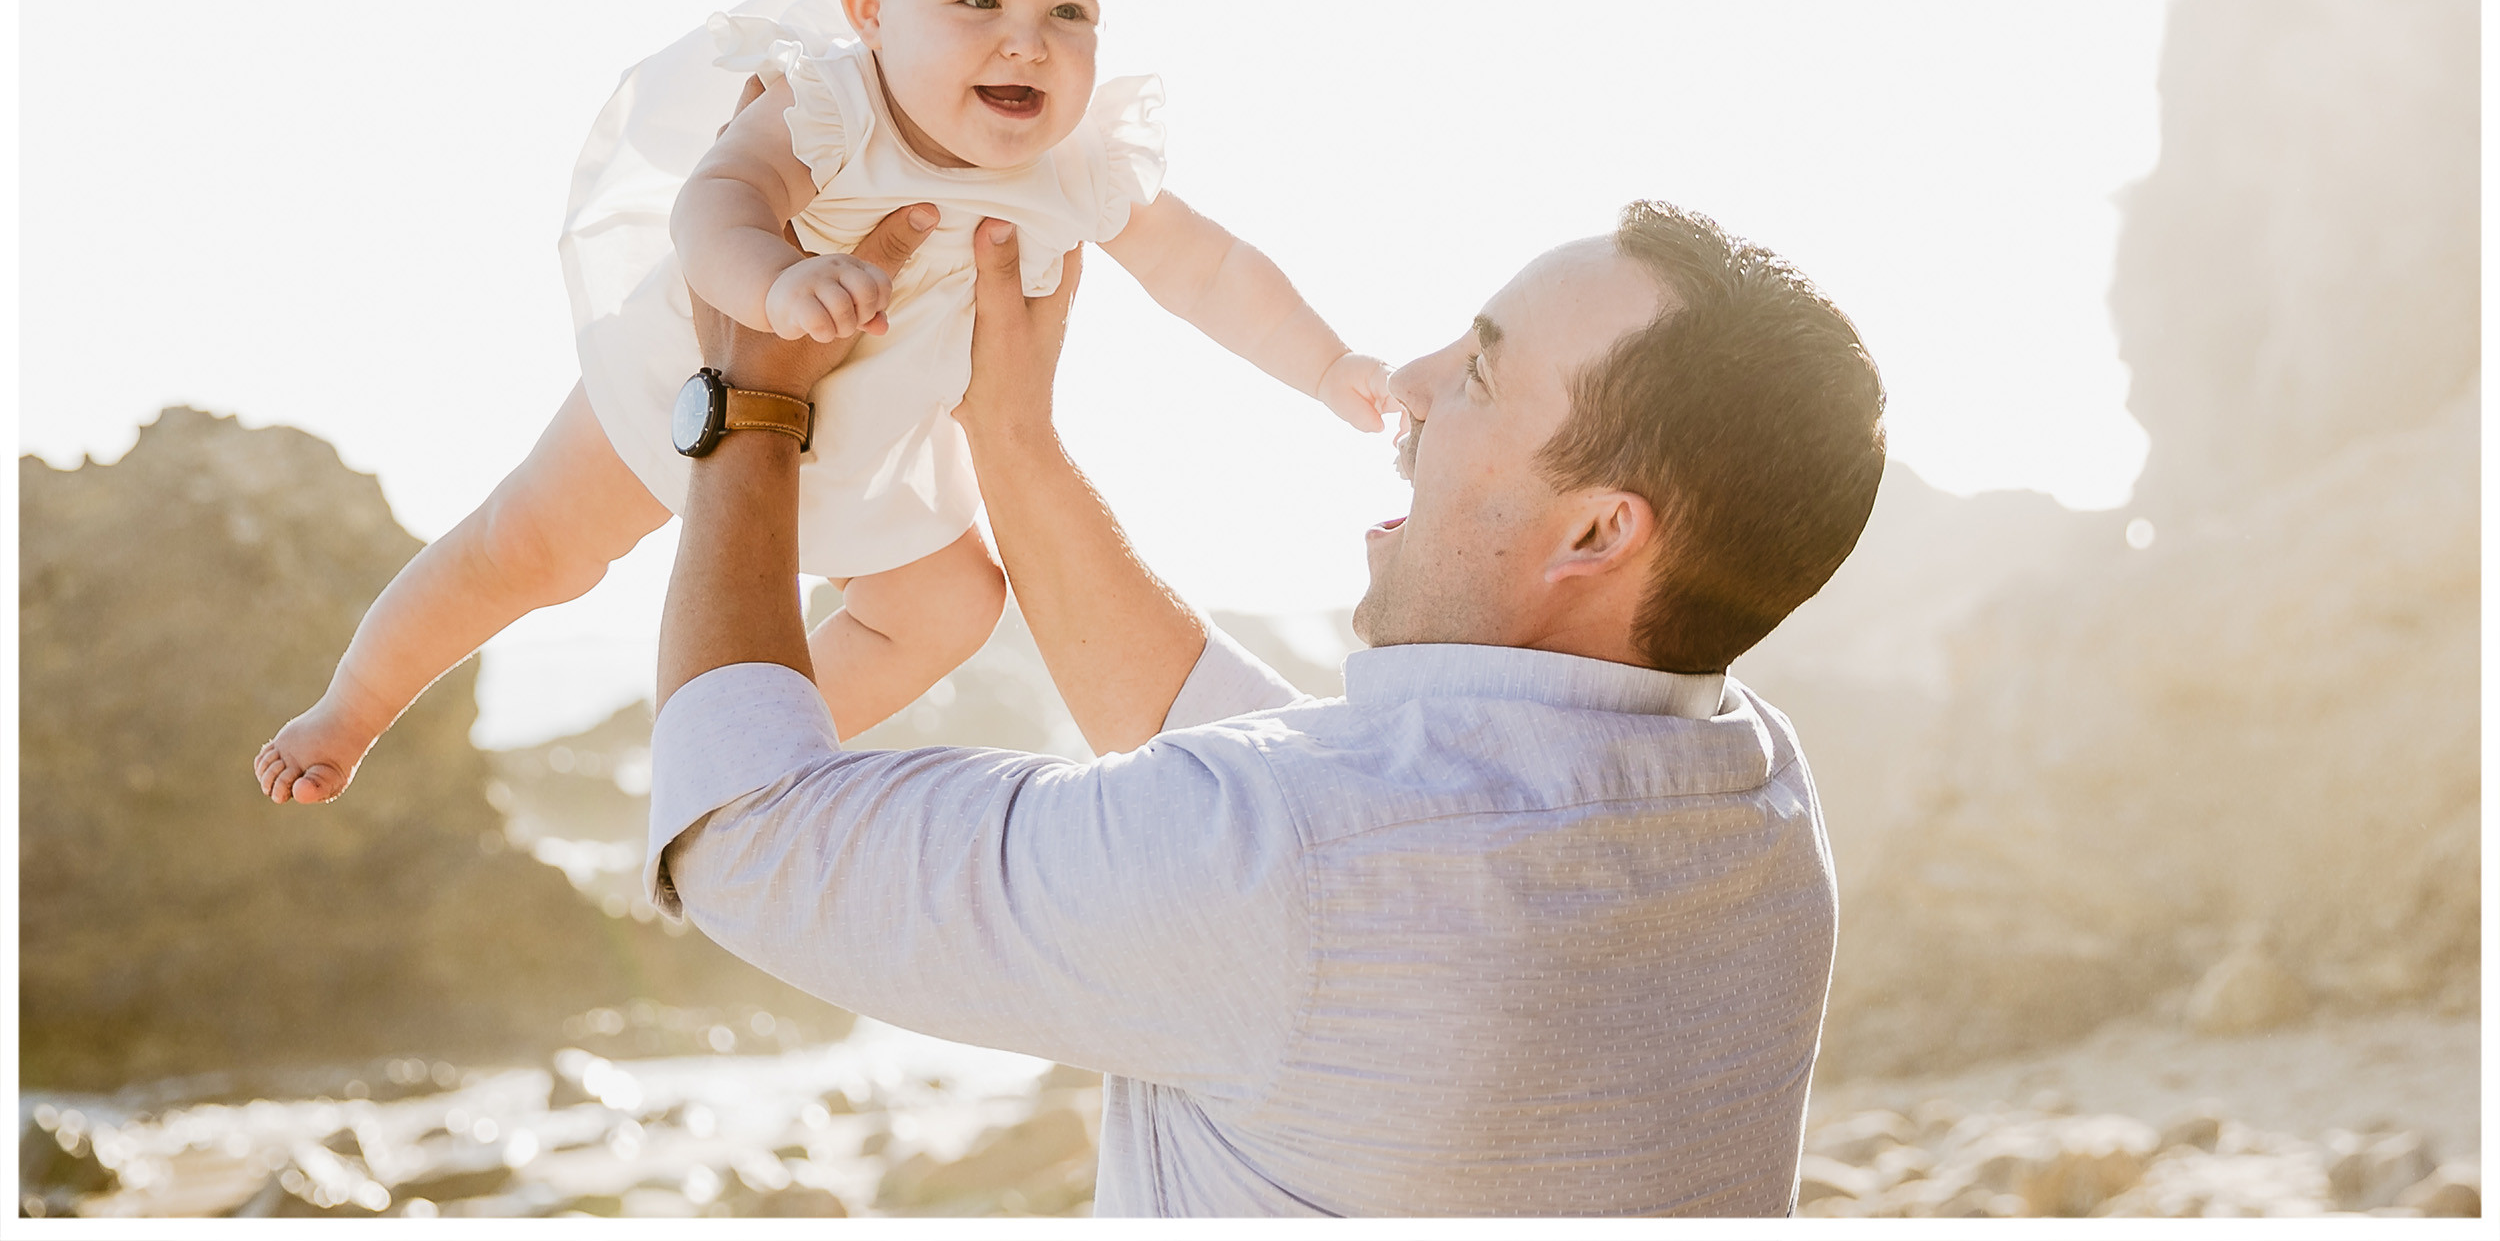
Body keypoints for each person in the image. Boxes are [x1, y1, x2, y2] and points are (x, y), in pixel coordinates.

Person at [647, 193, 1887, 1217]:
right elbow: (1309, 807)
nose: (1408, 378)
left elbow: (742, 829)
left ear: (1598, 530)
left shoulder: (1297, 864)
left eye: (1480, 374)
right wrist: (1010, 439)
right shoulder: (1754, 796)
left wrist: (749, 400)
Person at [254, 0, 1389, 806]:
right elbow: (716, 201)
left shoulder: (1072, 168)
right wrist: (772, 284)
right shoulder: (835, 106)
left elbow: (1211, 268)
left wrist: (1328, 363)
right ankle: (350, 707)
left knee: (950, 604)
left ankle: (730, 749)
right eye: (977, 1)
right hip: (693, 385)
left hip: (870, 453)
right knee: (527, 544)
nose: (1026, 42)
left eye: (1068, 11)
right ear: (870, 16)